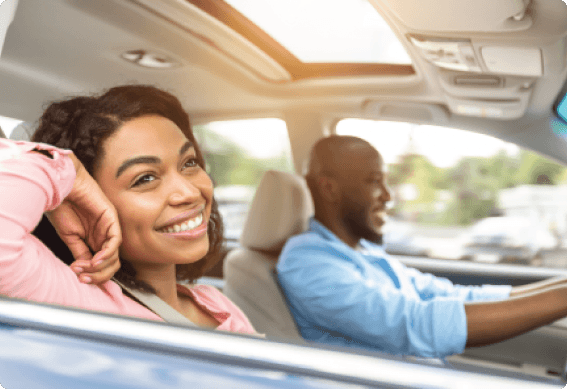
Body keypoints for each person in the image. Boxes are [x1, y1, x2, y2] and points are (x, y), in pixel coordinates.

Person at [277, 135, 567, 358]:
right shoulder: (306, 262)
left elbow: (450, 295)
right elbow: (415, 324)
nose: (388, 196)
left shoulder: (366, 252)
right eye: (374, 182)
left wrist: (562, 286)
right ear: (330, 189)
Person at [0, 84, 255, 334]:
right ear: (88, 204)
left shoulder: (215, 303)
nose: (190, 192)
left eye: (189, 162)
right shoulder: (83, 305)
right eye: (145, 178)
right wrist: (64, 169)